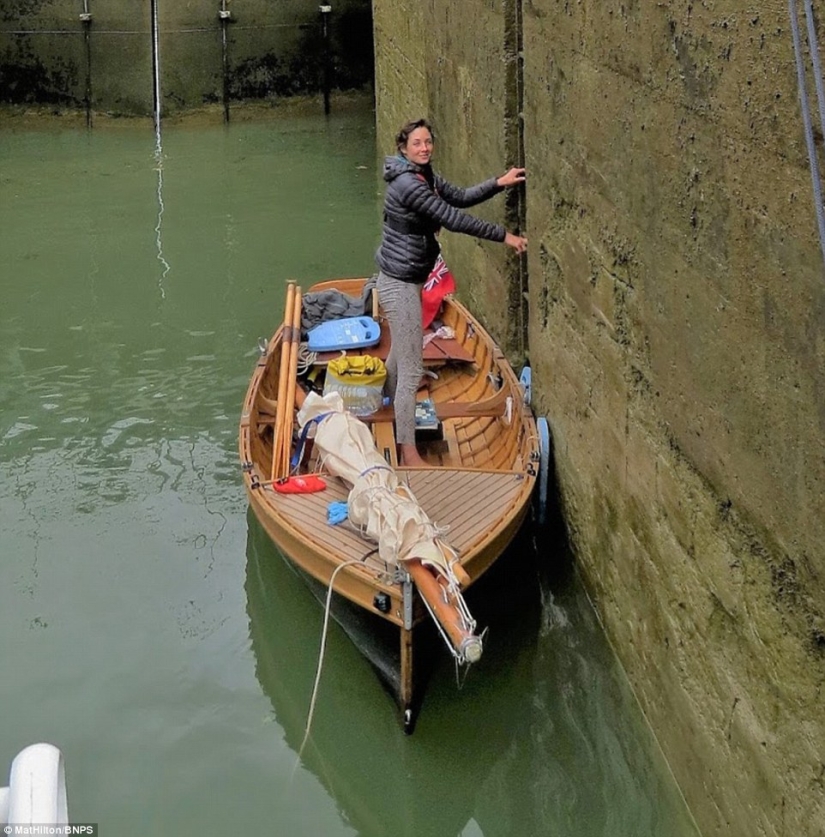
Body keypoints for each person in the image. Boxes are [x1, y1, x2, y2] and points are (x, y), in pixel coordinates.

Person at [375, 118, 528, 467]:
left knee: (401, 355)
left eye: (428, 141)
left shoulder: (423, 176)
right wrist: (504, 236)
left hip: (408, 279)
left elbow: (458, 197)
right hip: (398, 283)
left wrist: (498, 183)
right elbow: (452, 217)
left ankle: (383, 403)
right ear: (404, 148)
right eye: (417, 143)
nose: (424, 148)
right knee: (412, 370)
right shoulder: (408, 186)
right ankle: (408, 450)